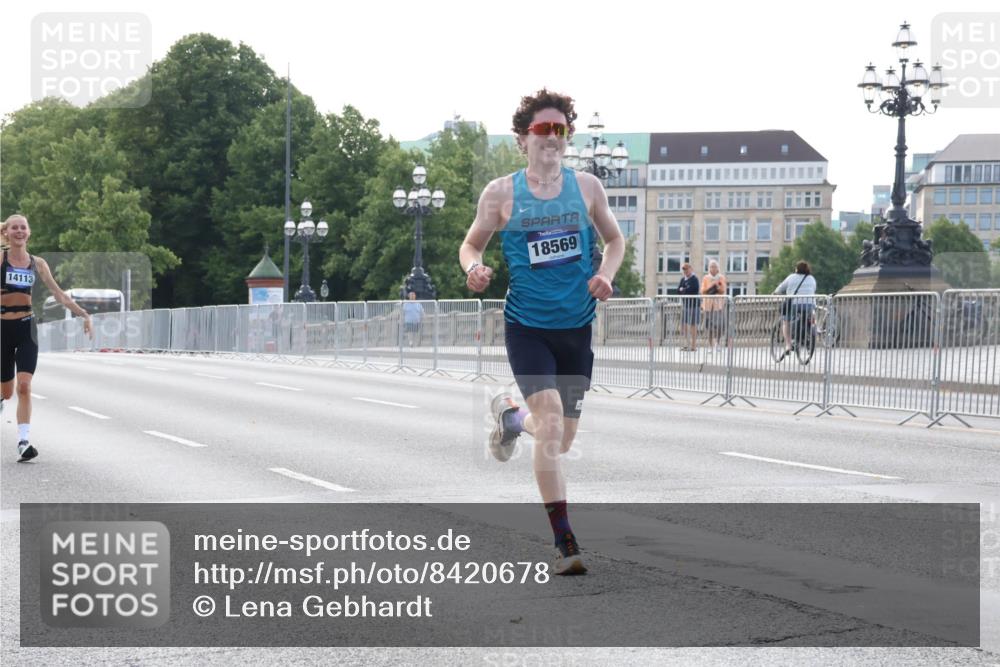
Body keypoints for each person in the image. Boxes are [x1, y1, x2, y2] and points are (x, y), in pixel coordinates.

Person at [459, 88, 624, 576]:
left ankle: (511, 419)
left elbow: (614, 241)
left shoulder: (588, 188)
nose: (552, 137)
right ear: (522, 139)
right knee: (550, 427)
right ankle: (564, 542)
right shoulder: (502, 194)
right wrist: (475, 268)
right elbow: (471, 245)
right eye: (542, 129)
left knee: (561, 439)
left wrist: (607, 275)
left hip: (576, 329)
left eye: (560, 129)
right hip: (527, 327)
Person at [1, 214, 93, 461]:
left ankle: (23, 442)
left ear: (29, 233)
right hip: (2, 330)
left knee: (24, 386)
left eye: (23, 227)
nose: (19, 231)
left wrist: (84, 314)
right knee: (7, 391)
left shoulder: (37, 263)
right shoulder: (0, 259)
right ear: (6, 233)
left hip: (26, 327)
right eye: (14, 228)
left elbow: (59, 294)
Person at [772, 260, 817, 360]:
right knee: (811, 315)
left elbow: (780, 289)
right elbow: (813, 289)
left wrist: (775, 293)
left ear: (796, 269)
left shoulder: (791, 277)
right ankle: (812, 329)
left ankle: (788, 345)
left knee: (786, 321)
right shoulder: (811, 278)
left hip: (794, 304)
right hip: (810, 304)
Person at [700, 260, 727, 354]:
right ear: (709, 268)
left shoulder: (721, 277)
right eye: (711, 266)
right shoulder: (706, 278)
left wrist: (718, 287)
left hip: (718, 305)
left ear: (717, 268)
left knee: (719, 325)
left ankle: (718, 343)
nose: (713, 268)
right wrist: (712, 286)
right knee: (709, 326)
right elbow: (703, 290)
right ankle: (710, 345)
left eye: (715, 266)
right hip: (708, 305)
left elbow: (723, 290)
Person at [677, 262, 700, 351]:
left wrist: (683, 290)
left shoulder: (694, 279)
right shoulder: (683, 279)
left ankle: (693, 346)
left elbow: (694, 290)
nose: (685, 271)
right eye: (684, 269)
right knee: (684, 324)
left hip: (693, 305)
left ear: (691, 269)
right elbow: (678, 291)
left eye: (687, 269)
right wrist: (684, 290)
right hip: (685, 305)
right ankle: (686, 344)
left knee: (693, 325)